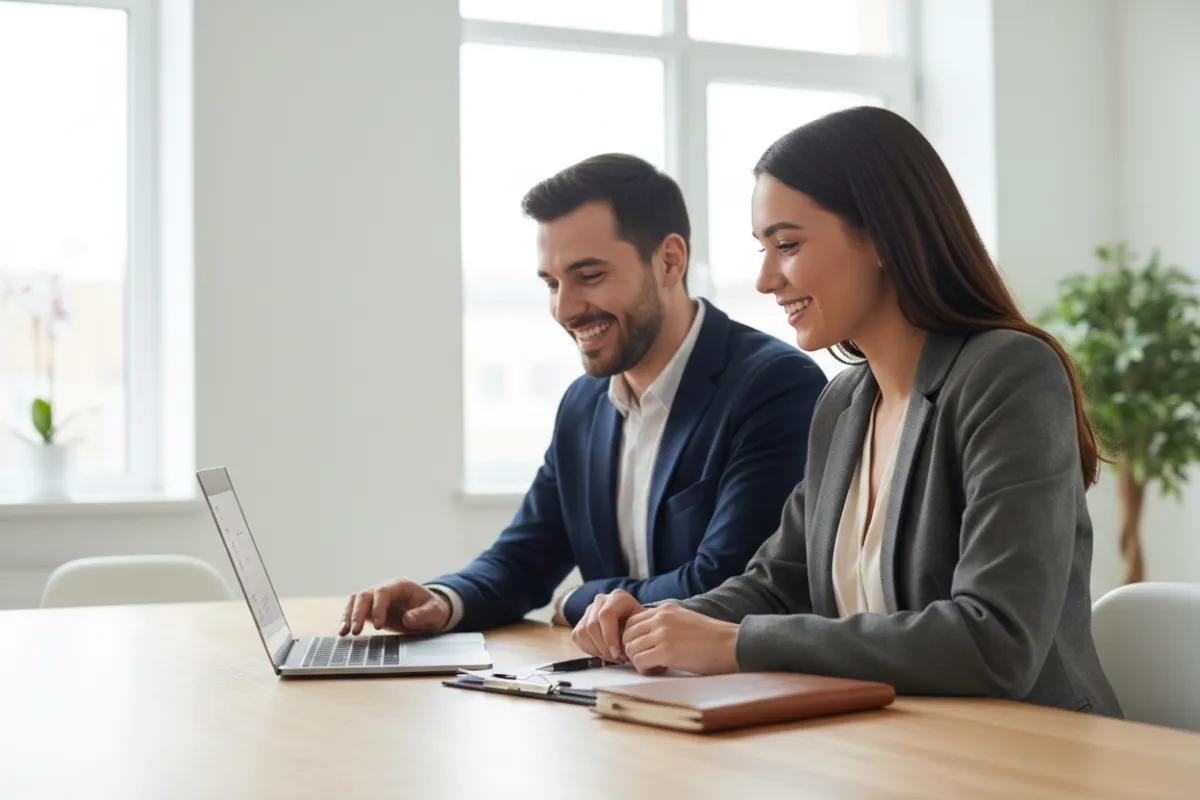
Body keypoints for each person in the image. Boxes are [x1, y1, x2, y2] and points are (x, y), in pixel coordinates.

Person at [571, 109, 1123, 718]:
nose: (763, 279)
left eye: (787, 245)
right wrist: (656, 623)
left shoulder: (1009, 375)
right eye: (762, 249)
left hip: (1032, 754)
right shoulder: (843, 402)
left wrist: (737, 645)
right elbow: (778, 582)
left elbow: (996, 640)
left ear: (884, 236)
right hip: (896, 744)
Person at [340, 154, 828, 636]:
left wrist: (580, 599)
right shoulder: (584, 404)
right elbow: (525, 558)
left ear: (669, 261)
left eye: (589, 276)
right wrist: (442, 600)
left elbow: (728, 585)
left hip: (736, 698)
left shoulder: (775, 386)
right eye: (552, 283)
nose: (565, 308)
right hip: (616, 690)